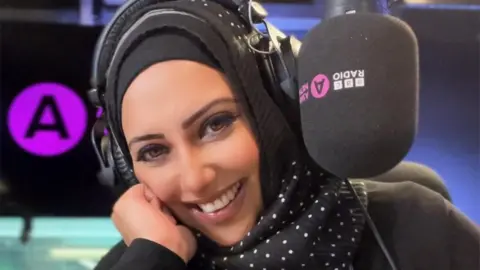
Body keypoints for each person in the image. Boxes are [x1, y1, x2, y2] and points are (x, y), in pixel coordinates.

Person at [92, 1, 480, 269]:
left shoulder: (418, 231)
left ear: (275, 107)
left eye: (216, 125)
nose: (196, 179)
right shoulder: (144, 261)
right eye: (155, 151)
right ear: (124, 168)